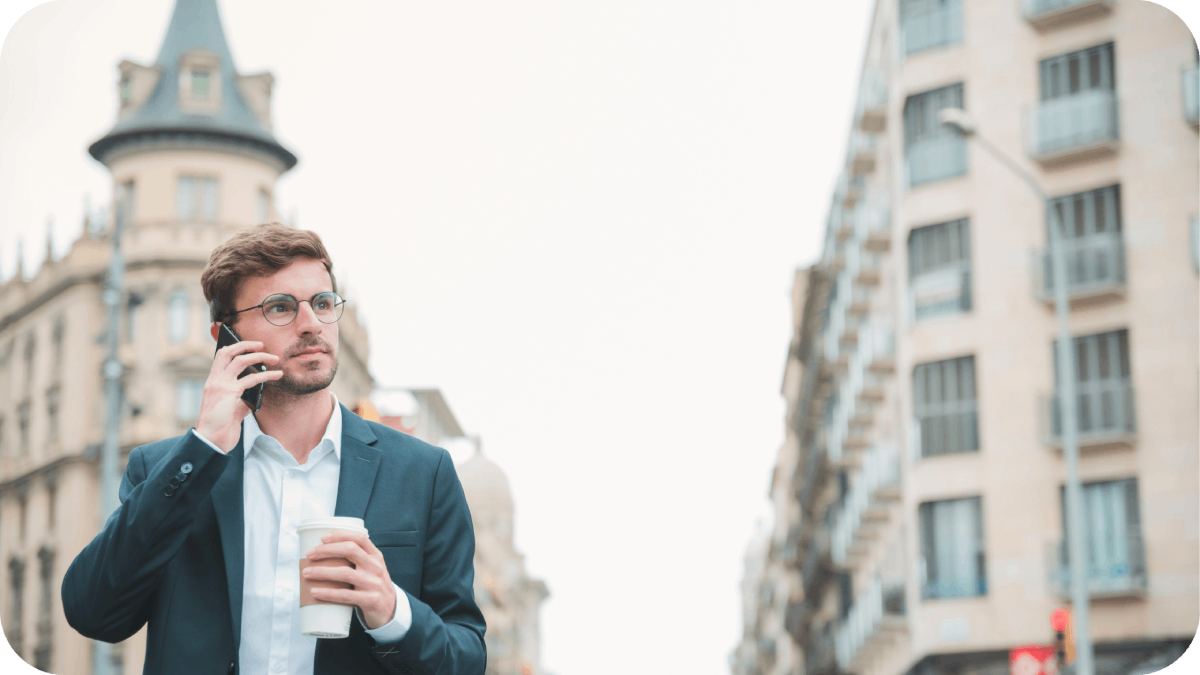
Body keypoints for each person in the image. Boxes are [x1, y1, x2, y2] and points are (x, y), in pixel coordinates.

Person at [62, 223, 486, 675]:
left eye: (322, 304)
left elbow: (466, 657)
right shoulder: (167, 469)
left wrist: (392, 610)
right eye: (280, 308)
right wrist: (202, 446)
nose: (311, 325)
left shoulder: (423, 473)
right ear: (226, 336)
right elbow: (94, 612)